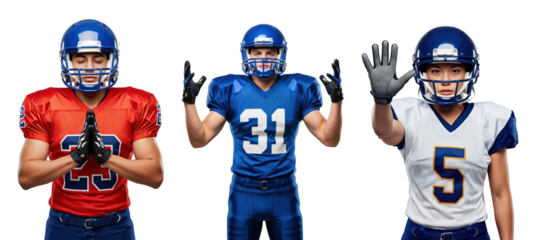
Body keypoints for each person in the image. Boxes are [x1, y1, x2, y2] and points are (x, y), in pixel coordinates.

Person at [182, 22, 343, 240]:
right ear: (245, 53)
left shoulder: (298, 87)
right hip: (243, 191)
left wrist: (337, 101)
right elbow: (199, 141)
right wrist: (189, 103)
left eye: (270, 51)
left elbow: (330, 139)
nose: (263, 57)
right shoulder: (230, 88)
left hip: (284, 191)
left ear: (282, 53)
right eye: (256, 52)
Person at [17, 17, 164, 240]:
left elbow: (155, 178)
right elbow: (26, 178)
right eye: (80, 59)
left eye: (98, 59)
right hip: (62, 224)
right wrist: (76, 157)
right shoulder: (45, 103)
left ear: (112, 60)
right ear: (66, 60)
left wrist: (105, 157)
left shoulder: (135, 103)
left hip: (116, 224)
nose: (89, 68)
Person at [365, 24, 517, 239]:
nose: (445, 80)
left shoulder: (490, 118)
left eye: (455, 70)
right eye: (436, 70)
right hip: (418, 233)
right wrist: (381, 101)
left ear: (469, 71)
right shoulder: (409, 113)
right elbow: (385, 132)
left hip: (473, 233)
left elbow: (500, 193)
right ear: (422, 72)